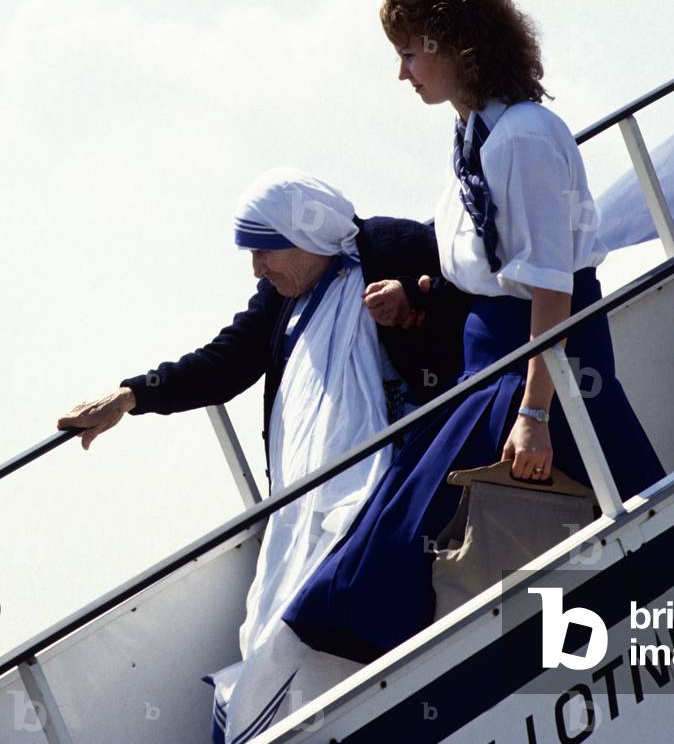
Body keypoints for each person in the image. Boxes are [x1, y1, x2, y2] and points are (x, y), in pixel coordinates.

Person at [281, 0, 665, 665]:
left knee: (409, 532)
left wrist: (535, 412)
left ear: (455, 45)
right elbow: (490, 265)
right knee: (402, 522)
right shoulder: (474, 135)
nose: (403, 73)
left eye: (410, 51)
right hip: (495, 360)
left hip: (542, 365)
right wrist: (421, 292)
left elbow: (554, 286)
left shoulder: (523, 137)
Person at [57, 167, 471, 742]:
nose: (257, 268)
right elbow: (228, 360)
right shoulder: (283, 297)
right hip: (301, 499)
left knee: (321, 613)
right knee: (272, 619)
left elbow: (473, 302)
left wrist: (412, 306)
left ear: (306, 235)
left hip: (392, 478)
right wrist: (133, 395)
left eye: (263, 251)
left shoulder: (397, 247)